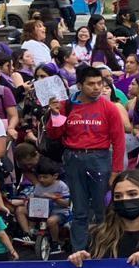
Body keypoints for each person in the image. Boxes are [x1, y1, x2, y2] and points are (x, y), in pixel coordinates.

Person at [45, 64, 128, 252]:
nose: (97, 87)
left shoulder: (109, 107)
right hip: (73, 159)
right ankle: (78, 252)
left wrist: (116, 171)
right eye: (91, 84)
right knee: (79, 210)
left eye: (100, 83)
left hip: (99, 158)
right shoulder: (67, 105)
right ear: (80, 85)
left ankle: (104, 250)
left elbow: (119, 141)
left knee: (101, 210)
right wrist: (55, 114)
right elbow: (54, 134)